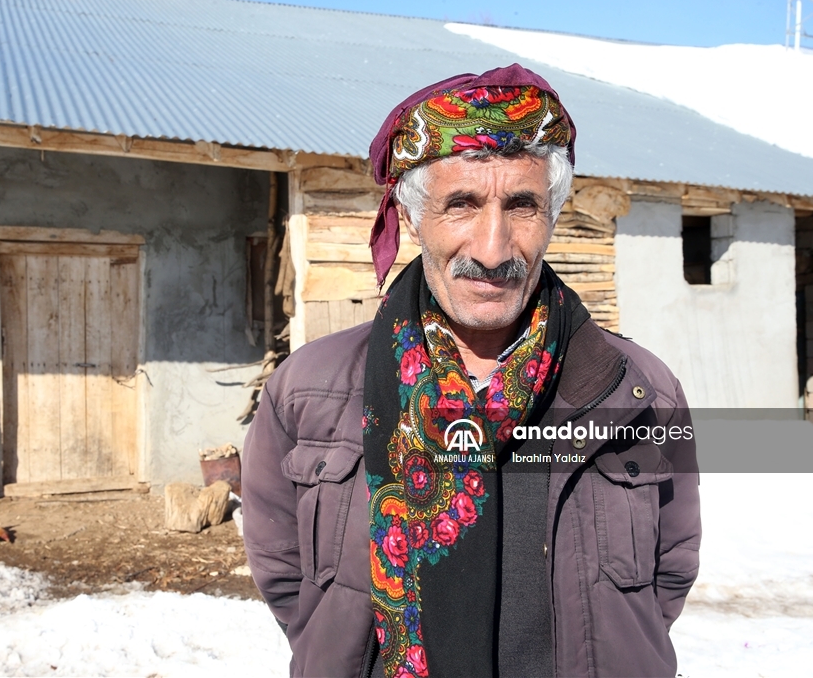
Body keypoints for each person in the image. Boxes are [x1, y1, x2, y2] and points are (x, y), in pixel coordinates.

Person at [242, 63, 701, 678]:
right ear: (410, 217)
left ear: (553, 216)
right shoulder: (309, 391)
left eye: (522, 205)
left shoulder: (638, 391)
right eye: (461, 204)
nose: (493, 248)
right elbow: (287, 577)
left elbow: (668, 571)